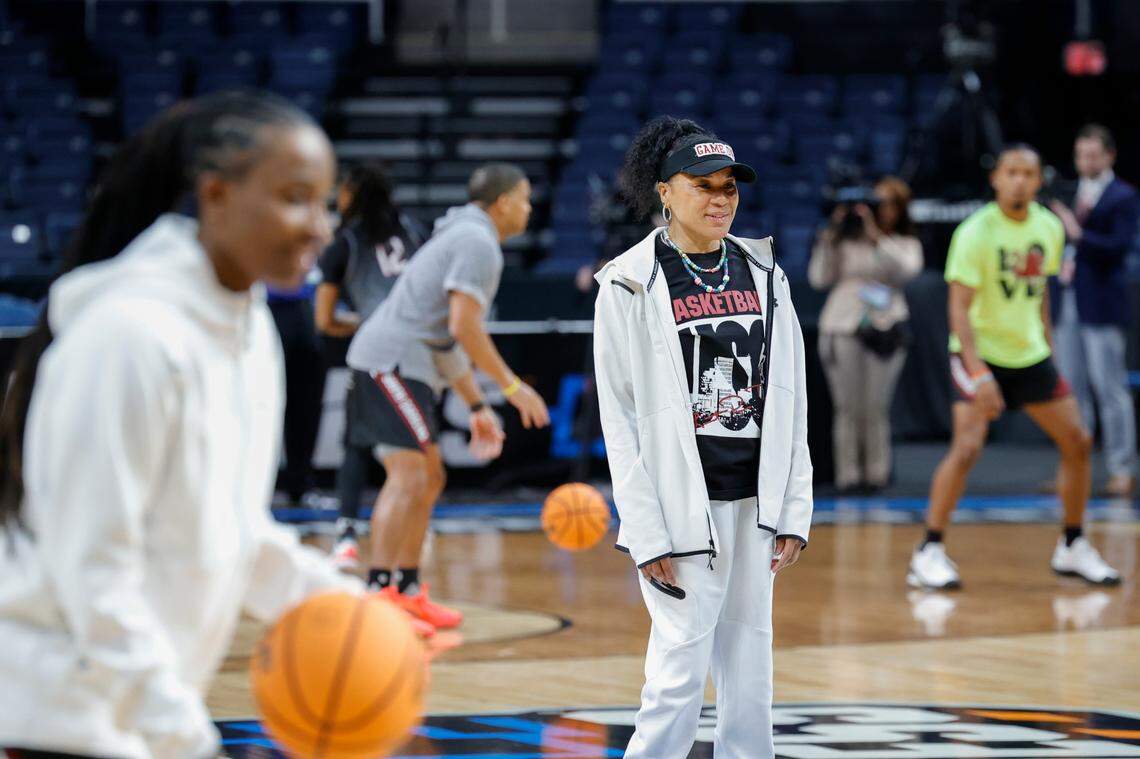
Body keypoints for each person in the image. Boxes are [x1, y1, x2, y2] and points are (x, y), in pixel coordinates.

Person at [0, 92, 364, 758]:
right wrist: (183, 737)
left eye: (327, 205)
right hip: (59, 721)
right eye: (293, 197)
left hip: (136, 719)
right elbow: (92, 573)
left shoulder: (249, 327)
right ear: (216, 194)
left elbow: (228, 524)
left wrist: (351, 607)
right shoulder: (128, 336)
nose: (318, 227)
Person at [594, 115, 812, 758]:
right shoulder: (628, 282)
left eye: (730, 188)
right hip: (680, 511)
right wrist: (645, 531)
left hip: (754, 504)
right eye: (703, 186)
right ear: (665, 191)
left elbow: (790, 399)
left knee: (752, 669)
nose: (720, 199)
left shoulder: (765, 273)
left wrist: (793, 508)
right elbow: (620, 417)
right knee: (677, 674)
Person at [345, 163, 550, 631]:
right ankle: (380, 595)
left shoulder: (465, 237)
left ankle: (408, 588)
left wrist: (478, 405)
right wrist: (512, 388)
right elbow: (463, 328)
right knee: (409, 473)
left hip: (408, 364)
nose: (529, 208)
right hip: (388, 361)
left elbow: (446, 339)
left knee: (429, 475)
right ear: (502, 203)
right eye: (524, 199)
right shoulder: (477, 243)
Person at [909, 144, 1121, 591]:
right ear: (996, 179)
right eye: (1012, 172)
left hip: (1030, 354)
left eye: (1028, 173)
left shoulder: (1048, 227)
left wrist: (1047, 344)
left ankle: (1073, 544)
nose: (1020, 180)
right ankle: (928, 549)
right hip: (978, 354)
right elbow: (958, 310)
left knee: (1079, 441)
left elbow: (1042, 292)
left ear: (1038, 180)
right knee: (967, 447)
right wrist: (979, 372)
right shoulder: (975, 231)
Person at [313, 163, 426, 569]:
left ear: (353, 193)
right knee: (417, 453)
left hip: (375, 356)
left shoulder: (343, 242)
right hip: (423, 354)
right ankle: (412, 536)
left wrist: (370, 323)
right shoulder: (414, 231)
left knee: (358, 444)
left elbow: (324, 320)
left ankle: (348, 537)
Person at [809, 177, 923, 492]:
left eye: (884, 204)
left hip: (886, 329)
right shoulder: (842, 240)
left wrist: (875, 237)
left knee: (875, 407)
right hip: (841, 326)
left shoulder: (903, 242)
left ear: (898, 209)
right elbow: (819, 278)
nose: (876, 210)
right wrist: (831, 235)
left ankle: (876, 474)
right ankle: (848, 476)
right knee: (847, 407)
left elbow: (908, 271)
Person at [1049, 124, 1138, 497]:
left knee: (1110, 388)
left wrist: (1078, 234)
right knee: (1070, 390)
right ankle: (1074, 468)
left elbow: (1120, 246)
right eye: (1080, 154)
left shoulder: (1123, 195)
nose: (1085, 161)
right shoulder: (1070, 193)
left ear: (1109, 156)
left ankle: (1121, 469)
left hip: (1101, 303)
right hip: (1068, 299)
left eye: (1092, 155)